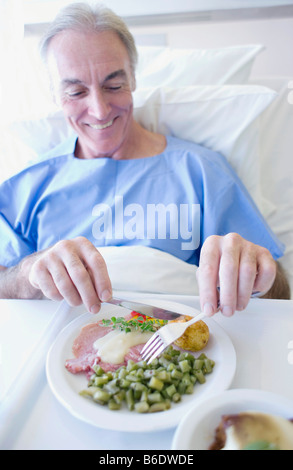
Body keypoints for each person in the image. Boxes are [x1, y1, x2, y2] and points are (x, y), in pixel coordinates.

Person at [0, 2, 290, 318]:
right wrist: (27, 274)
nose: (99, 110)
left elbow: (279, 297)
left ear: (133, 79)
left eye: (114, 86)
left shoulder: (200, 171)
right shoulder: (27, 186)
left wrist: (259, 272)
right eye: (76, 92)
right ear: (54, 94)